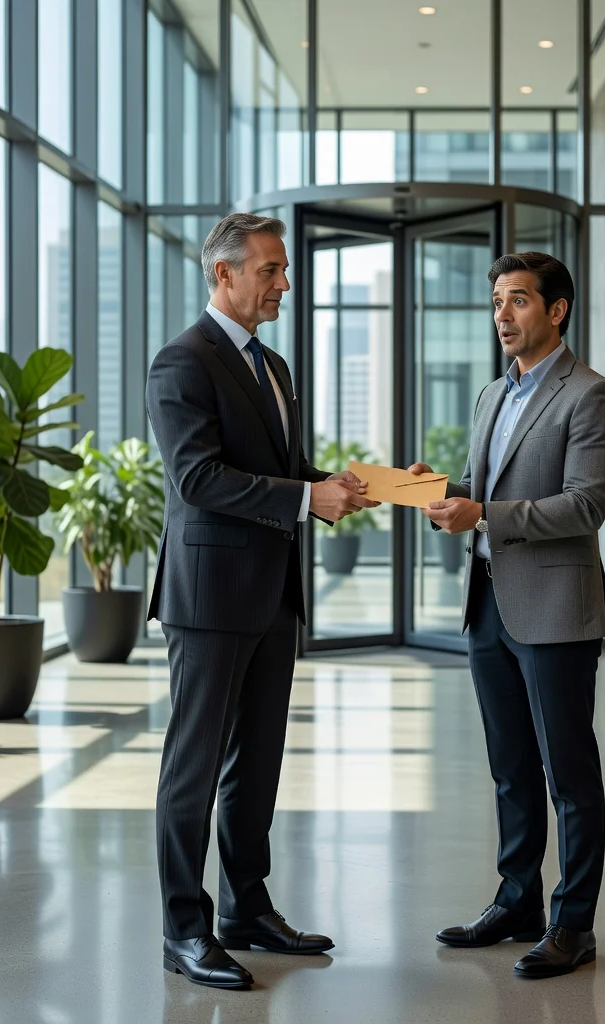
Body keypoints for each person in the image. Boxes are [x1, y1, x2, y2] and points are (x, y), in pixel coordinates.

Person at [146, 213, 378, 990]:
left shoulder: (272, 367)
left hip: (273, 593)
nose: (283, 283)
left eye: (282, 271)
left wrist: (349, 486)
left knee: (257, 763)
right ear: (225, 275)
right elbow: (197, 479)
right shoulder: (181, 361)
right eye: (270, 270)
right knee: (195, 765)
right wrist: (304, 495)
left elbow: (285, 469)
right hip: (209, 598)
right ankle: (185, 928)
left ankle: (247, 908)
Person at [408, 251, 605, 979]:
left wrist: (483, 512)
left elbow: (584, 505)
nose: (502, 315)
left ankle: (574, 923)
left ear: (556, 310)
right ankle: (516, 901)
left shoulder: (592, 395)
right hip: (490, 606)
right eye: (497, 301)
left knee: (568, 771)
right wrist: (431, 487)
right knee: (509, 769)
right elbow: (479, 486)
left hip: (557, 609)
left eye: (519, 301)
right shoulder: (490, 397)